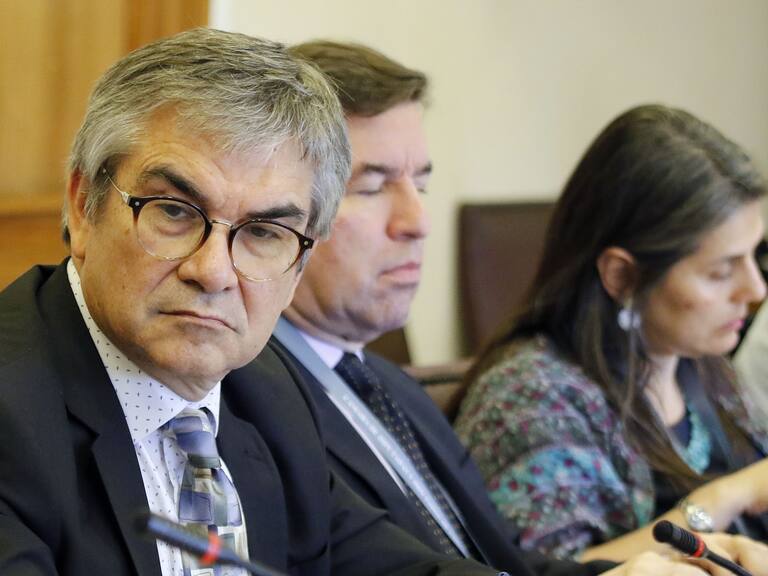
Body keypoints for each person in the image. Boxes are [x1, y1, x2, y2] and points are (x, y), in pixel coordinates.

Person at [0, 28, 512, 576]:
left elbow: (383, 564)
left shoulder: (267, 391)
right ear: (83, 207)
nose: (213, 271)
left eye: (265, 232)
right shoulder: (14, 419)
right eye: (174, 211)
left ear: (299, 263)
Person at [266, 42, 768, 576]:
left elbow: (512, 566)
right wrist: (716, 505)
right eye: (372, 186)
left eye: (423, 185)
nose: (418, 220)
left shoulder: (390, 390)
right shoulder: (248, 404)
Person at [455, 104, 768, 565]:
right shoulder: (530, 397)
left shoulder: (702, 363)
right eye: (721, 271)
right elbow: (555, 573)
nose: (755, 289)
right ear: (621, 276)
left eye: (755, 257)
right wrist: (729, 495)